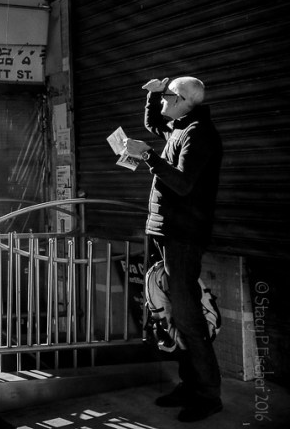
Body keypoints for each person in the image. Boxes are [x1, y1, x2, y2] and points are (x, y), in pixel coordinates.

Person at [123, 76, 223, 423]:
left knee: (188, 317)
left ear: (181, 100)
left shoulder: (199, 134)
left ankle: (208, 395)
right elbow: (154, 123)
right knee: (172, 315)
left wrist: (147, 155)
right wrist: (152, 96)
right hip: (166, 232)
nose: (164, 100)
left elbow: (181, 183)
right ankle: (189, 384)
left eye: (167, 95)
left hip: (183, 237)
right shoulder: (180, 127)